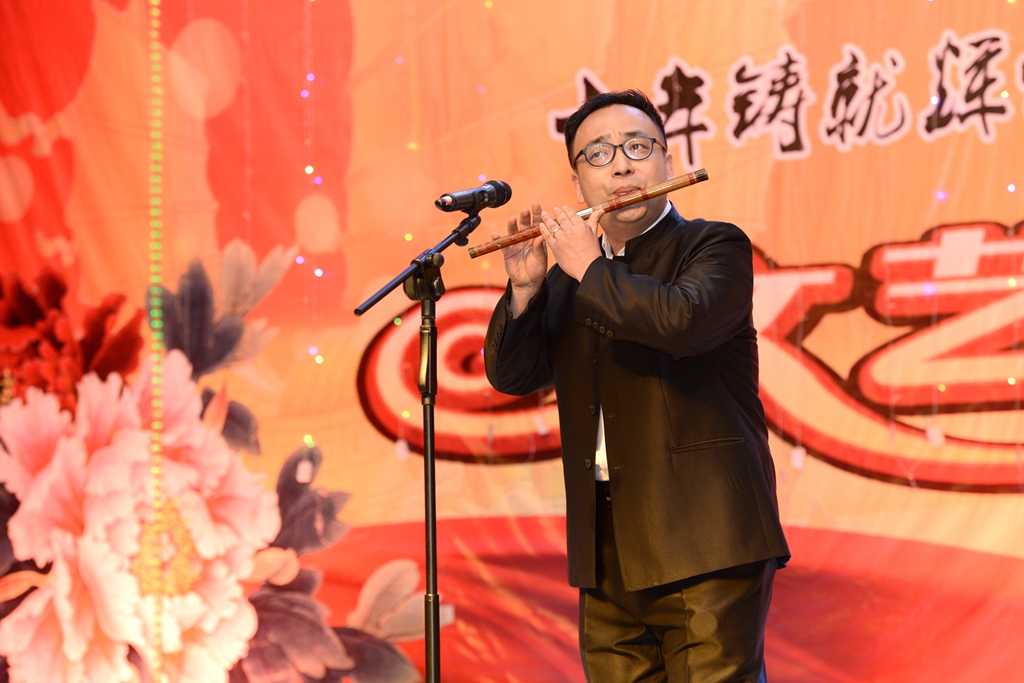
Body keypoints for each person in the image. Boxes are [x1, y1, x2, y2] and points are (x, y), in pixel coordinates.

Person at [483, 90, 790, 683]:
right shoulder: (570, 275)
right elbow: (514, 375)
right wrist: (525, 290)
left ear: (667, 160)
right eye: (598, 154)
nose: (621, 166)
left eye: (637, 147)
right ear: (578, 183)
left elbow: (680, 321)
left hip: (706, 537)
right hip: (605, 545)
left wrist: (587, 268)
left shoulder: (714, 245)